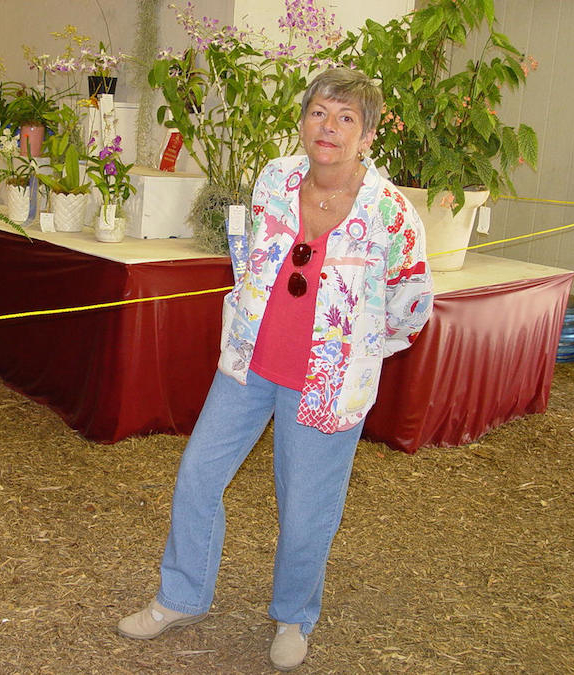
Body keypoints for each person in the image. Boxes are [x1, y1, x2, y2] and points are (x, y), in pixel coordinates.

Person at [118, 68, 434, 671]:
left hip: (326, 384)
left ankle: (293, 616)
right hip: (248, 366)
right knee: (198, 475)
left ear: (367, 136)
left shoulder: (391, 215)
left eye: (347, 119)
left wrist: (355, 353)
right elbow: (251, 262)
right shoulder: (274, 180)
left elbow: (411, 304)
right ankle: (180, 597)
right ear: (303, 119)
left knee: (307, 506)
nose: (330, 128)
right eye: (320, 112)